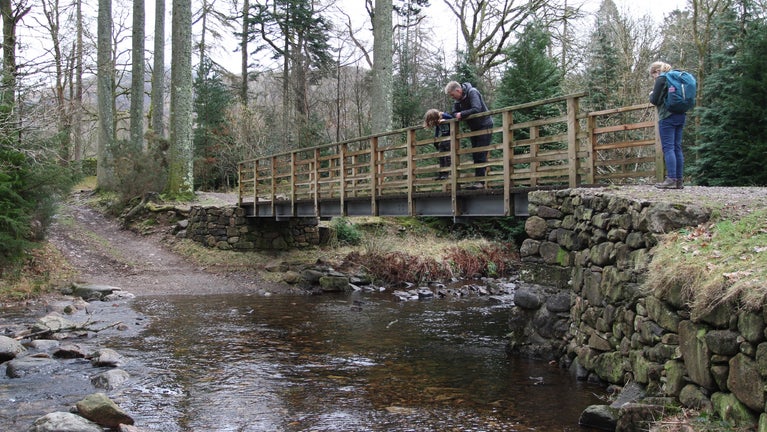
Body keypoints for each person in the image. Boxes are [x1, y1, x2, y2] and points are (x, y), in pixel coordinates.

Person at [445, 81, 493, 189]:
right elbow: (453, 112)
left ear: (458, 90)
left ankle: (481, 182)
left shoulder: (472, 92)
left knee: (481, 153)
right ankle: (479, 181)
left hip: (485, 125)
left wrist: (461, 114)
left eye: (452, 95)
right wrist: (457, 114)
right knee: (476, 153)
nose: (453, 98)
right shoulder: (458, 100)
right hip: (474, 128)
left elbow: (477, 108)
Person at [649, 61, 686, 189]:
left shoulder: (662, 79)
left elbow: (655, 100)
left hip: (667, 116)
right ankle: (679, 180)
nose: (653, 78)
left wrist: (651, 95)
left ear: (656, 71)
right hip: (680, 115)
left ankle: (671, 179)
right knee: (677, 147)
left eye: (652, 75)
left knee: (668, 148)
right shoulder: (677, 77)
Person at [424, 109, 454, 180]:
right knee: (441, 156)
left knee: (447, 157)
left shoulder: (443, 115)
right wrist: (436, 137)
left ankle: (446, 174)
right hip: (443, 137)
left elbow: (453, 118)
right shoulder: (437, 121)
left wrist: (445, 120)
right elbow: (437, 129)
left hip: (450, 137)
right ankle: (441, 173)